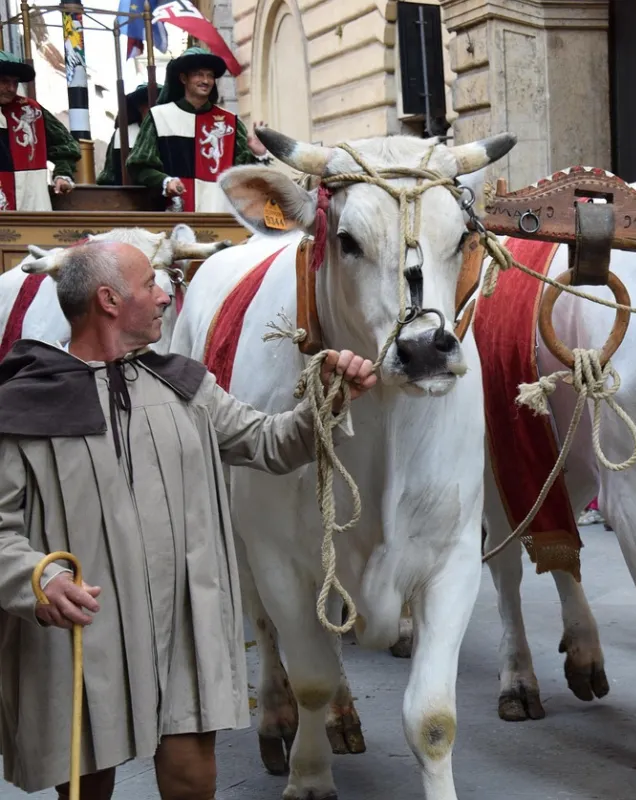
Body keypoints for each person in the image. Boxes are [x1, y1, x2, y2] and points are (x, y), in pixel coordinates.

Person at [0, 241, 377, 799]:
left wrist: (329, 398)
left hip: (183, 623)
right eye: (150, 284)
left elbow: (270, 443)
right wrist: (38, 579)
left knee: (191, 776)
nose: (164, 294)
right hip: (84, 626)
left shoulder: (186, 386)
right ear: (108, 300)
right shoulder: (25, 404)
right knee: (84, 780)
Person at [126, 46, 263, 212]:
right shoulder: (159, 116)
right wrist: (165, 181)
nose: (206, 81)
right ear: (183, 78)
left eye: (210, 76)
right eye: (199, 74)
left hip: (222, 217)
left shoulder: (230, 122)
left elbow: (243, 173)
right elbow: (138, 165)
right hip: (174, 217)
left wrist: (257, 153)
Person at [0, 50, 79, 209]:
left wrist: (62, 174)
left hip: (30, 202)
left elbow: (66, 146)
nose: (11, 88)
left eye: (15, 83)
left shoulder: (31, 110)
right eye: (4, 81)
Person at [96, 83, 161, 186]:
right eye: (148, 104)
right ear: (139, 107)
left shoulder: (168, 131)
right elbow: (109, 174)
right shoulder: (123, 134)